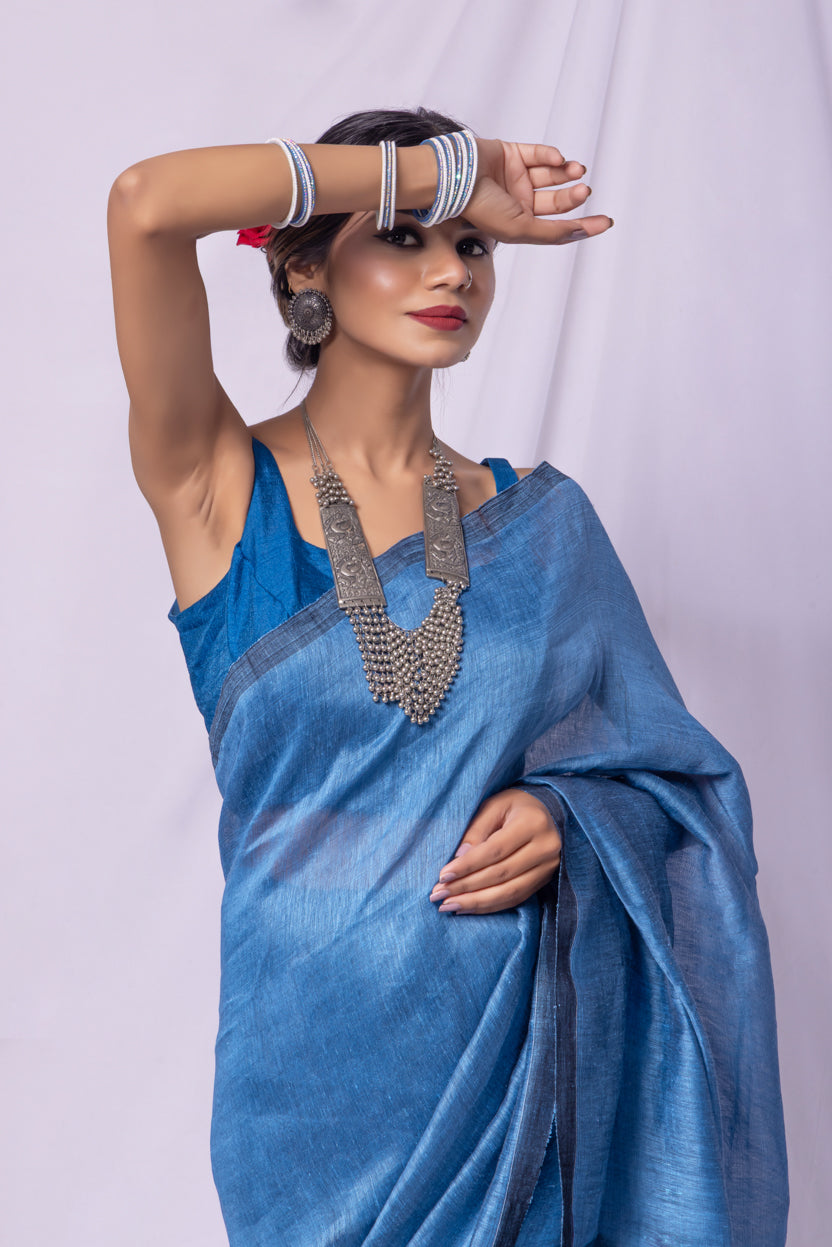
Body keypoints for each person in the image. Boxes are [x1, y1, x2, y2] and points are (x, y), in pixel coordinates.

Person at [107, 107, 788, 1246]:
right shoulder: (216, 484)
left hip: (515, 1054)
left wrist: (572, 814)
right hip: (313, 1068)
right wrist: (452, 175)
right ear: (305, 265)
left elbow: (680, 781)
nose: (451, 270)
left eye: (470, 243)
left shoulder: (541, 521)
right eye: (407, 233)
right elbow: (145, 205)